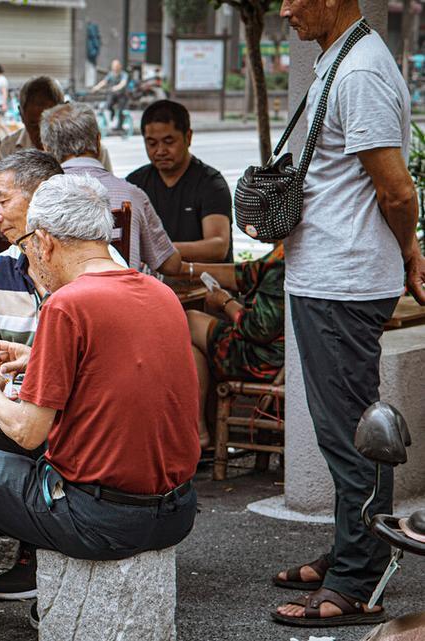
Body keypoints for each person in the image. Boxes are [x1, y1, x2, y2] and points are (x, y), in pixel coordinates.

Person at [0, 174, 199, 641]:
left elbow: (28, 432)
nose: (26, 257)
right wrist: (35, 355)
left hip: (99, 519)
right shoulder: (159, 293)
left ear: (44, 242)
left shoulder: (68, 305)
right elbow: (120, 371)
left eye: (26, 246)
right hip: (176, 511)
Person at [272, 0, 425, 628]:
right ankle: (347, 550)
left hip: (344, 281)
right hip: (331, 276)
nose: (284, 9)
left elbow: (397, 190)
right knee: (344, 430)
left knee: (350, 439)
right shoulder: (341, 57)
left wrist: (412, 251)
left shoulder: (358, 71)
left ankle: (358, 581)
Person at [40, 102, 183, 277]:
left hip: (62, 303)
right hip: (124, 301)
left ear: (46, 149)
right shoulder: (132, 195)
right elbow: (171, 265)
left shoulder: (38, 199)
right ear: (98, 142)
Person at [179, 246, 285, 449]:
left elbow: (258, 329)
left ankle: (196, 431)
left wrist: (225, 302)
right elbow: (246, 273)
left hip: (265, 361)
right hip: (277, 356)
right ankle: (198, 430)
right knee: (191, 341)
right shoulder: (285, 252)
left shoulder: (284, 263)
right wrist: (186, 269)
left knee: (188, 321)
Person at [0, 75, 113, 220]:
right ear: (21, 114)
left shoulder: (90, 151)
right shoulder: (6, 151)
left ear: (66, 108)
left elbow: (111, 199)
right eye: (35, 125)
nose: (42, 134)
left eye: (48, 124)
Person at [127, 100, 233, 262]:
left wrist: (159, 249)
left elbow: (218, 246)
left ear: (188, 137)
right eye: (152, 143)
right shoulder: (135, 184)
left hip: (202, 281)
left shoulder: (211, 184)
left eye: (169, 142)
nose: (160, 151)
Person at [90, 58, 129, 129]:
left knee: (120, 110)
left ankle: (120, 126)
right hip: (113, 95)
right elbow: (104, 82)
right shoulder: (111, 74)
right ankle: (112, 119)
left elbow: (123, 83)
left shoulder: (124, 74)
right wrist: (96, 87)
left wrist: (117, 87)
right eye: (113, 66)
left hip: (122, 95)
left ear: (120, 66)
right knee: (108, 106)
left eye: (116, 66)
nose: (115, 67)